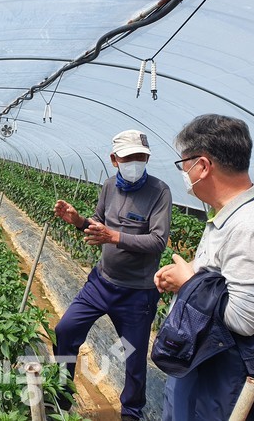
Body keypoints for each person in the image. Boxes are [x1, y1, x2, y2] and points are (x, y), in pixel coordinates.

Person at [154, 114, 254, 420]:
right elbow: (220, 275)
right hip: (205, 358)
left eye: (184, 164)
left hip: (225, 374)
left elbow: (244, 319)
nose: (184, 173)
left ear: (202, 166)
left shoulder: (253, 226)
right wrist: (186, 273)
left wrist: (188, 283)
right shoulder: (228, 214)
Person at [53, 129, 172, 421]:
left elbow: (158, 241)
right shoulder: (109, 186)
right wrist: (80, 221)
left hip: (137, 293)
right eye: (129, 157)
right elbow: (99, 224)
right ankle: (61, 397)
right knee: (65, 330)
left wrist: (114, 236)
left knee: (133, 358)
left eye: (141, 157)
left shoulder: (159, 192)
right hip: (101, 283)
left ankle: (131, 413)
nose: (135, 162)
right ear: (114, 159)